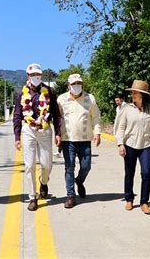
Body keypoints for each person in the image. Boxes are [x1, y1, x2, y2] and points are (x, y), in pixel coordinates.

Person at [13, 63, 61, 211]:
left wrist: (58, 132)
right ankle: (32, 197)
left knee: (47, 165)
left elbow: (56, 113)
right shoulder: (22, 94)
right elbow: (17, 115)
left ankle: (43, 181)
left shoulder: (50, 92)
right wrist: (17, 136)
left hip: (45, 129)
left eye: (38, 75)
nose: (36, 77)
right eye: (33, 75)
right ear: (28, 76)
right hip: (28, 130)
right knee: (29, 165)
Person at [115, 80, 150, 215]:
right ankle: (129, 199)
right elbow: (121, 127)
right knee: (129, 173)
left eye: (135, 92)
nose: (132, 95)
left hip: (146, 145)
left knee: (146, 173)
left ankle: (144, 202)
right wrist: (120, 144)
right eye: (132, 92)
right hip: (130, 144)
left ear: (142, 94)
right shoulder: (127, 108)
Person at [57, 74, 101, 208]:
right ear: (68, 86)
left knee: (86, 166)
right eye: (74, 84)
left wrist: (97, 132)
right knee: (69, 168)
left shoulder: (90, 98)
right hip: (67, 140)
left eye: (79, 83)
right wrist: (57, 135)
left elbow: (96, 116)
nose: (77, 86)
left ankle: (79, 181)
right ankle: (70, 196)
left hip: (85, 139)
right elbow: (57, 119)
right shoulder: (61, 100)